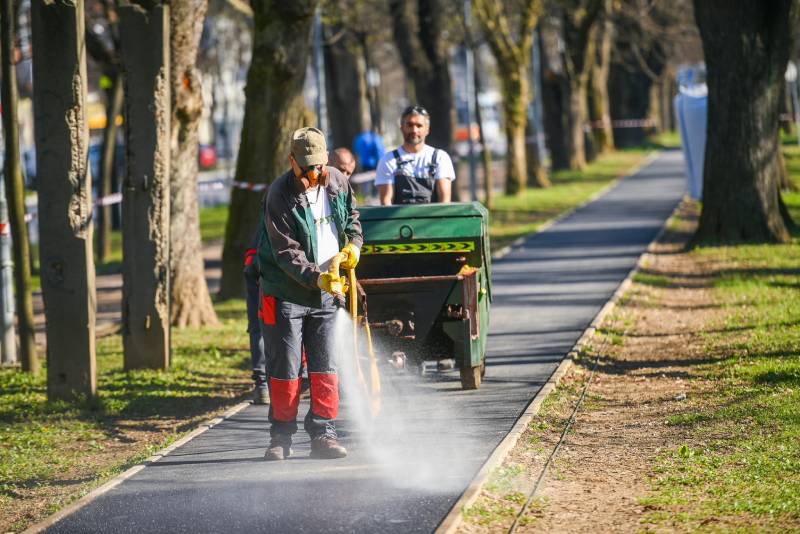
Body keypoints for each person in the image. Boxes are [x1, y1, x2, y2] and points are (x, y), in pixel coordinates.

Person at [258, 127, 363, 461]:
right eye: (307, 168)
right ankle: (281, 437)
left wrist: (353, 247)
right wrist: (316, 279)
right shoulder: (279, 194)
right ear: (292, 162)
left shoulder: (337, 183)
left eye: (319, 166)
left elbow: (354, 221)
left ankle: (324, 433)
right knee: (286, 368)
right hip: (287, 292)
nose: (314, 174)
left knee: (325, 366)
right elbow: (286, 253)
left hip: (328, 292)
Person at [374, 105, 456, 205]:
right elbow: (386, 202)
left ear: (427, 130)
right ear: (402, 128)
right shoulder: (388, 160)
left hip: (433, 219)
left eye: (419, 125)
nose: (414, 130)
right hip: (400, 220)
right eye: (409, 125)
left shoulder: (440, 158)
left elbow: (445, 201)